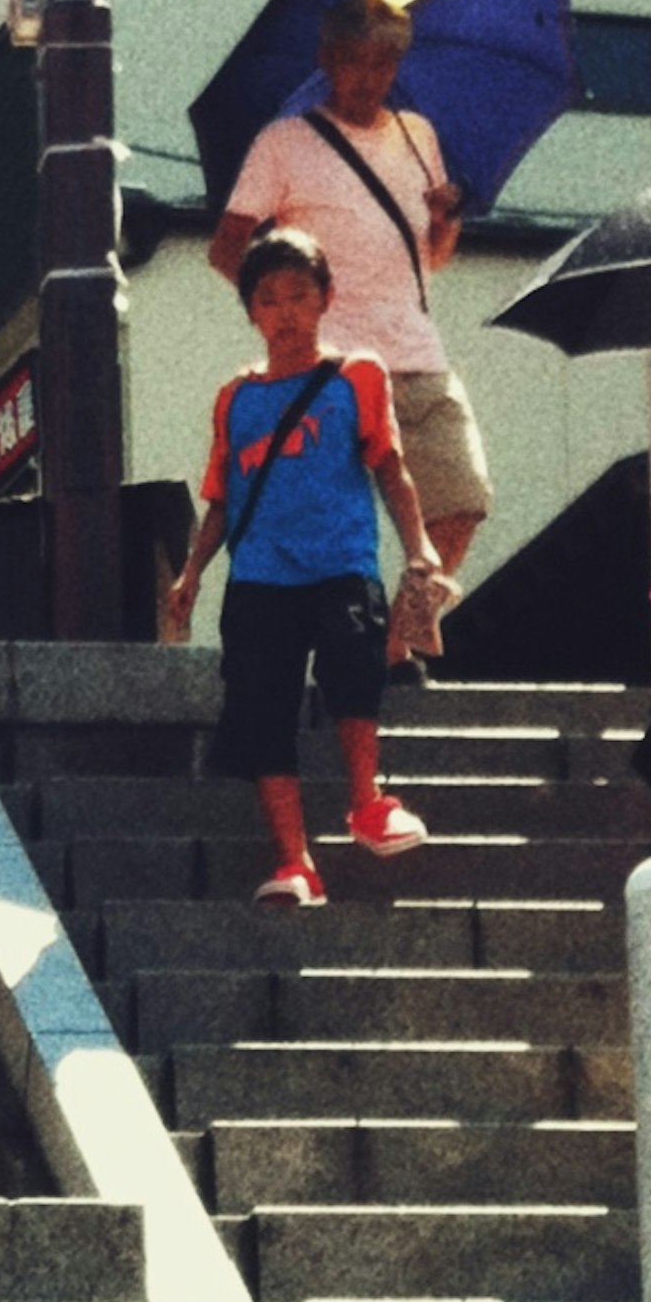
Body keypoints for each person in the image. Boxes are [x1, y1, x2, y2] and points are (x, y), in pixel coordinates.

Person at [159, 222, 449, 907]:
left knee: (356, 664)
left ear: (326, 298)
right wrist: (193, 572)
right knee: (263, 708)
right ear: (251, 311)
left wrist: (419, 545)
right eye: (268, 298)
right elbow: (221, 498)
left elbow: (393, 469)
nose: (285, 311)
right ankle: (295, 863)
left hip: (341, 561)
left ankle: (367, 803)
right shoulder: (236, 397)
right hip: (259, 574)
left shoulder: (358, 376)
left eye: (299, 294)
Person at [209, 0, 483, 667]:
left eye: (385, 62)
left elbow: (433, 257)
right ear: (328, 60)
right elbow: (227, 246)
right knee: (327, 528)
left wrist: (446, 223)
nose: (371, 77)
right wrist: (285, 311)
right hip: (329, 365)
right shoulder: (285, 143)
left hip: (415, 349)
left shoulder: (420, 138)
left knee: (462, 500)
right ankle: (330, 653)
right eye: (357, 61)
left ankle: (395, 644)